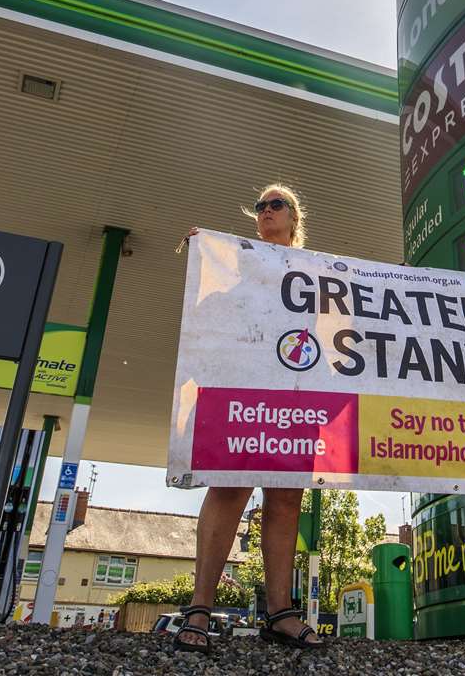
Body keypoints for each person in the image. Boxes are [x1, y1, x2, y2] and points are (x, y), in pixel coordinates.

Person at [175, 185, 323, 654]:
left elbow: (354, 316)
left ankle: (280, 612)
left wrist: (388, 282)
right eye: (259, 206)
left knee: (284, 497)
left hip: (294, 397)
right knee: (230, 487)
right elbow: (207, 333)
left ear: (294, 217)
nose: (265, 211)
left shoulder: (318, 275)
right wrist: (206, 255)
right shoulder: (233, 275)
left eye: (275, 204)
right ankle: (199, 608)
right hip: (240, 395)